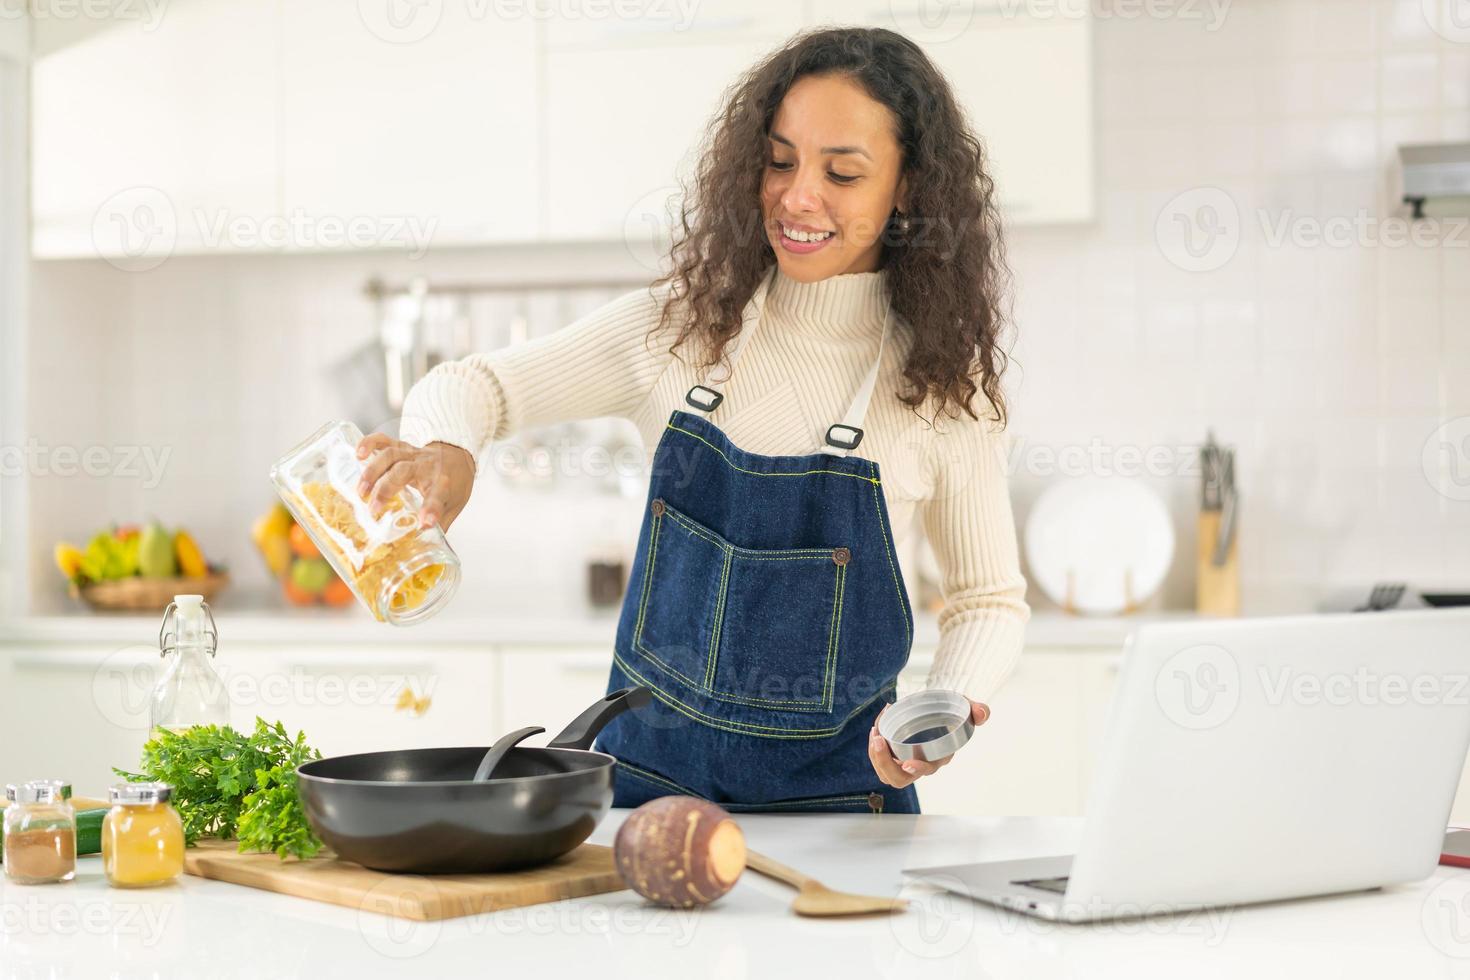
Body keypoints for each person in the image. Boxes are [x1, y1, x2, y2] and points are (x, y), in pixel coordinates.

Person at [356, 27, 1029, 813]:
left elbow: (987, 598)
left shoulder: (944, 387)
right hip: (643, 807)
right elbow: (472, 387)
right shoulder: (679, 336)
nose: (797, 196)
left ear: (908, 187)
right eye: (780, 161)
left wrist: (944, 705)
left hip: (846, 819)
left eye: (841, 173)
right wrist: (447, 452)